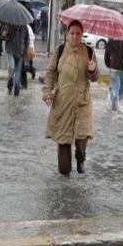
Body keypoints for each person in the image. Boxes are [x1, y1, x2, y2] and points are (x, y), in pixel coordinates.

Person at [42, 19, 99, 175]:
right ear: (67, 34)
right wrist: (47, 92)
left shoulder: (89, 52)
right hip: (63, 102)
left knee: (82, 137)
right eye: (72, 33)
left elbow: (95, 78)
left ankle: (81, 159)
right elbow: (50, 73)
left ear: (82, 34)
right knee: (63, 140)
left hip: (82, 102)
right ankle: (65, 171)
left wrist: (92, 70)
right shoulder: (59, 51)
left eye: (78, 33)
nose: (75, 36)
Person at [5, 23, 29, 97]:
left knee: (18, 75)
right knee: (11, 68)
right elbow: (3, 38)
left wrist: (25, 54)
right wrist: (5, 35)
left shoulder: (25, 28)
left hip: (20, 54)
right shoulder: (8, 26)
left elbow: (26, 41)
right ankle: (9, 86)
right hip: (11, 51)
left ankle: (16, 94)